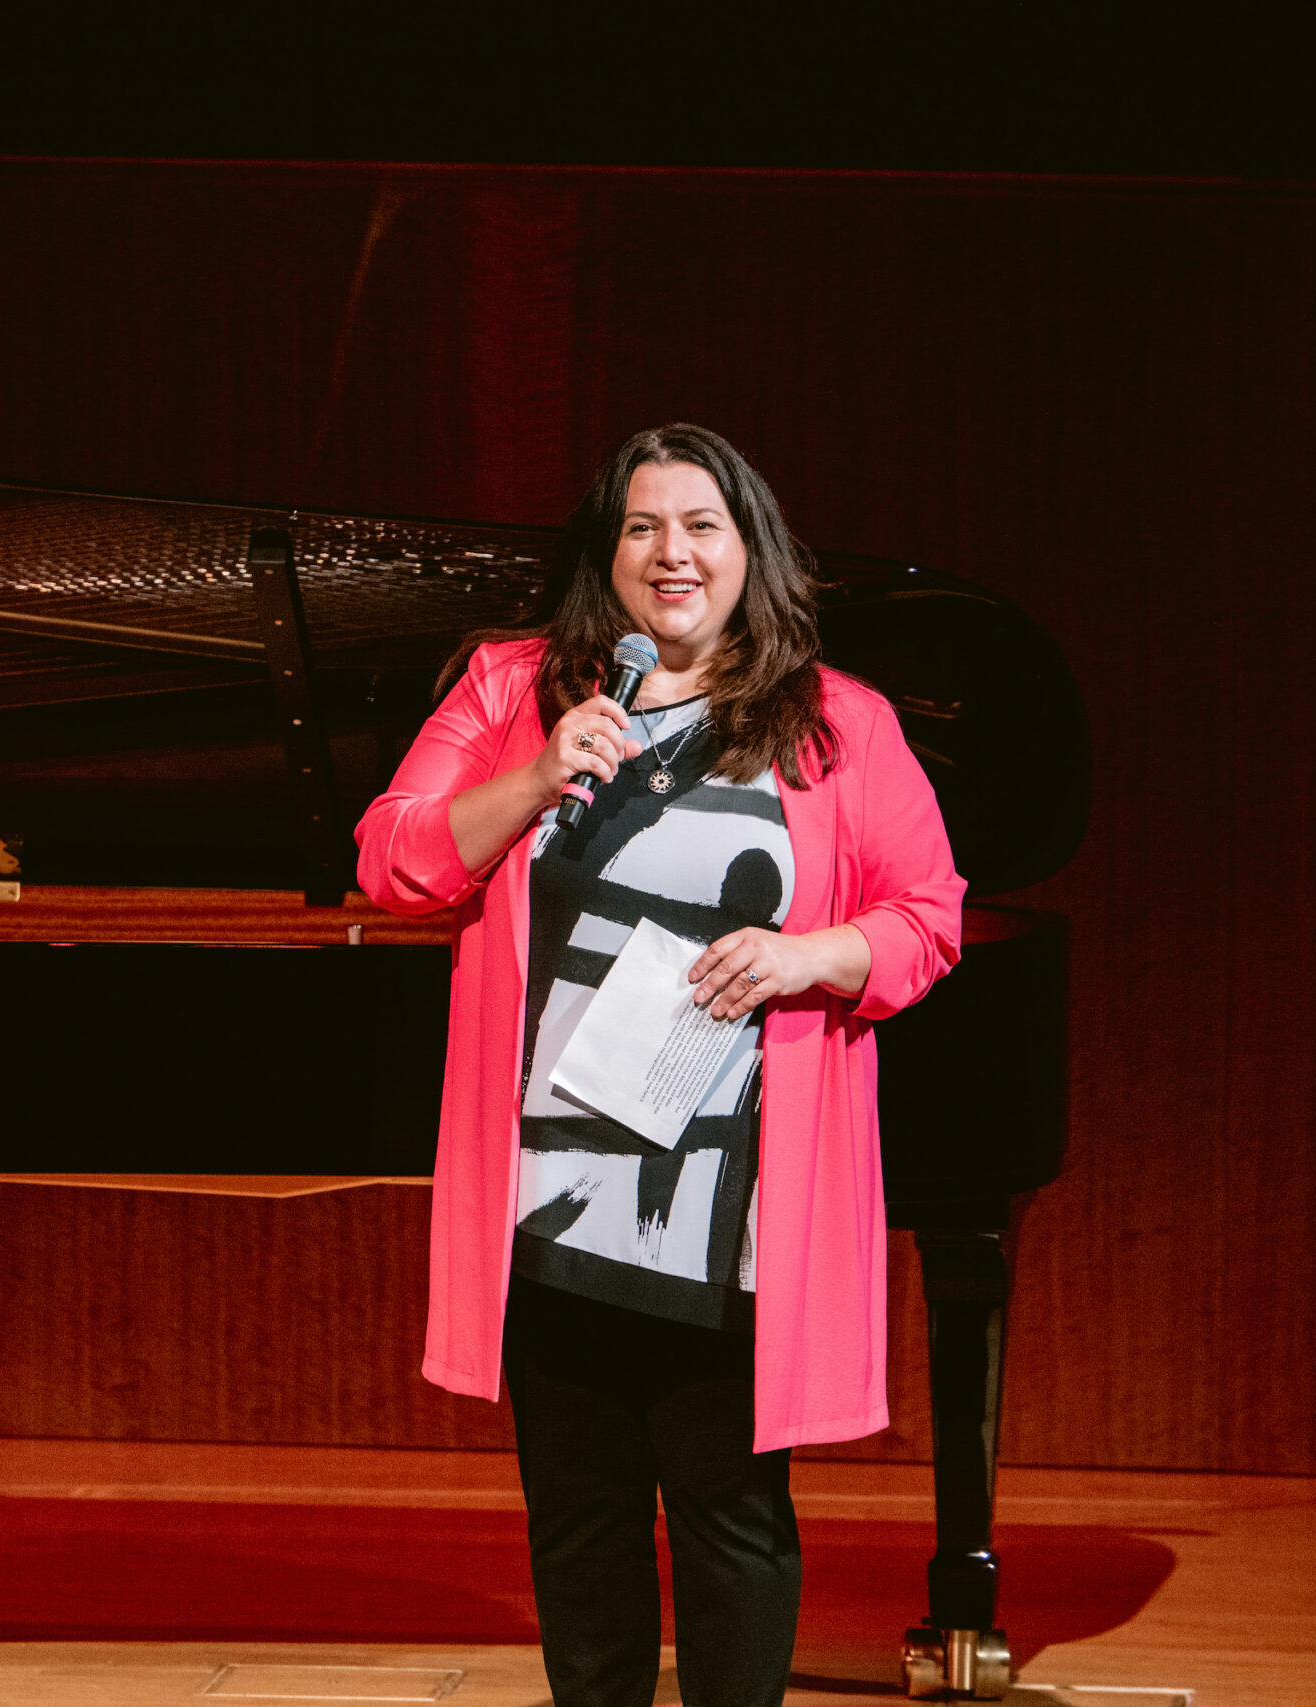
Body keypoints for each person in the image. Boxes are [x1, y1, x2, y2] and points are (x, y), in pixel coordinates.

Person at [354, 424, 963, 1707]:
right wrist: (532, 775)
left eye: (701, 527)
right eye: (642, 527)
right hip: (553, 1175)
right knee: (576, 1519)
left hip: (732, 1196)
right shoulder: (517, 689)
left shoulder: (836, 723)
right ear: (608, 551)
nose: (669, 553)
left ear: (751, 553)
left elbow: (929, 916)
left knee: (728, 1517)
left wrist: (812, 957)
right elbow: (395, 856)